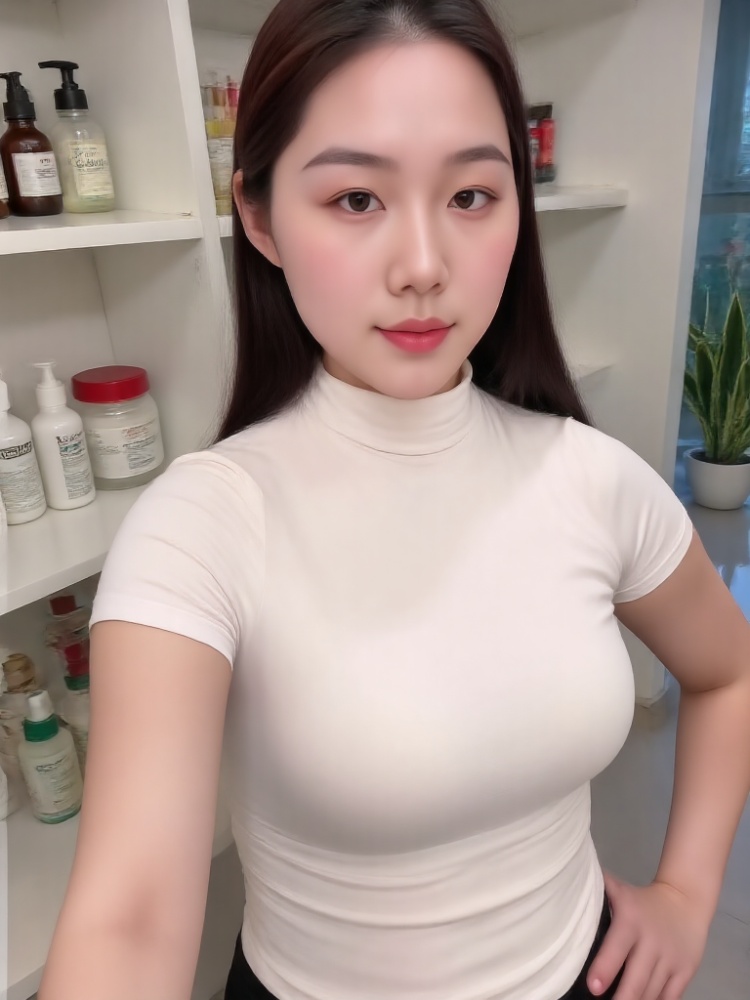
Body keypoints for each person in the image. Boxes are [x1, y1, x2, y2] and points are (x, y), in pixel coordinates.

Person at [38, 1, 750, 998]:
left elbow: (728, 671)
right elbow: (131, 918)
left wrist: (685, 893)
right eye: (357, 199)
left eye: (471, 195)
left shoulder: (594, 479)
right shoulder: (204, 527)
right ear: (259, 218)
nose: (424, 266)